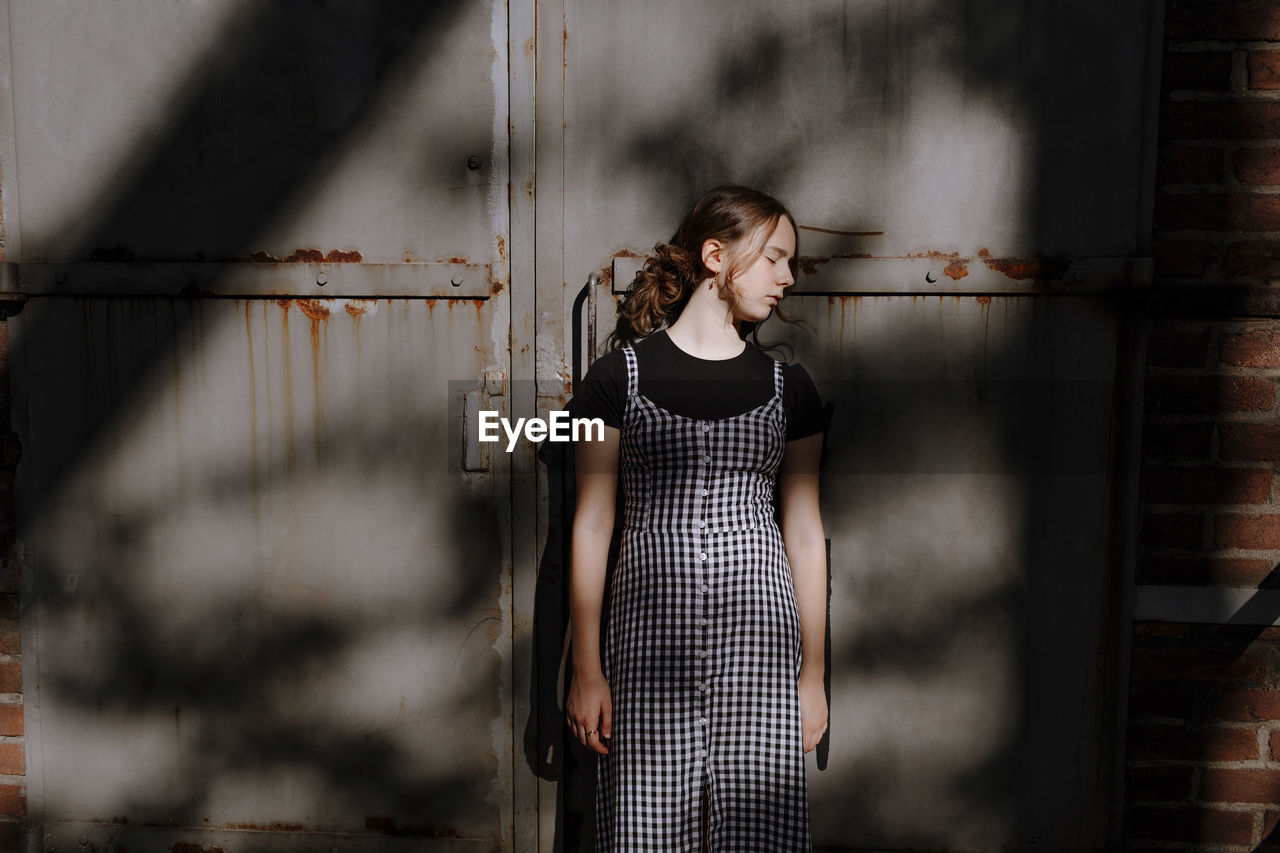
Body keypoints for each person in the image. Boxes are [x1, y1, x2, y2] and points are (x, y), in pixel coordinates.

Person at [565, 185, 829, 851]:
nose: (787, 278)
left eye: (790, 263)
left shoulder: (788, 388)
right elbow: (593, 524)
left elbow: (804, 531)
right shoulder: (615, 380)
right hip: (648, 645)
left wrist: (814, 672)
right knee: (645, 831)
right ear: (716, 255)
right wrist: (587, 668)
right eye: (774, 258)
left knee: (759, 835)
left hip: (763, 646)